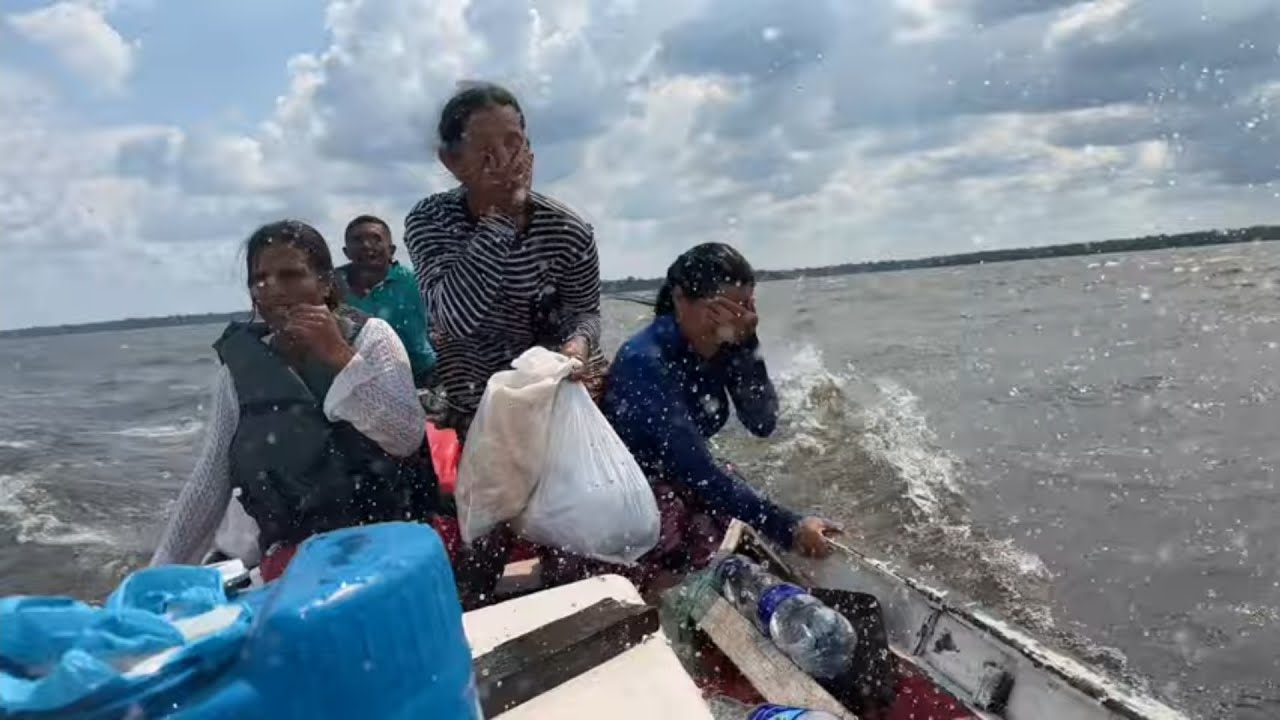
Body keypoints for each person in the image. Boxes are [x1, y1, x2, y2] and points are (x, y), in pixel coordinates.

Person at [150, 220, 430, 580]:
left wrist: (339, 357)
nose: (275, 289)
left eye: (291, 274)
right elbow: (210, 479)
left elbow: (406, 435)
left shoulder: (372, 338)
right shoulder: (237, 372)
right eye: (261, 278)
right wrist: (159, 571)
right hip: (296, 557)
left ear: (326, 283)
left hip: (384, 544)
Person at [595, 243, 838, 584]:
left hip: (686, 481)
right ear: (681, 299)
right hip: (630, 498)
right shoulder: (645, 361)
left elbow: (762, 422)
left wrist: (747, 343)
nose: (731, 322)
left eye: (742, 310)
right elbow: (698, 472)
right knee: (725, 560)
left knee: (759, 543)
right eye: (718, 310)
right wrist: (791, 527)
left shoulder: (725, 343)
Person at [403, 81, 605, 438]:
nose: (504, 160)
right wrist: (500, 219)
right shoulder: (431, 220)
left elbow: (585, 312)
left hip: (554, 401)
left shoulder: (568, 231)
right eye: (484, 150)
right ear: (451, 161)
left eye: (513, 143)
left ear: (529, 148)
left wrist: (578, 345)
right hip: (476, 407)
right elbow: (453, 320)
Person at [337, 214, 437, 387]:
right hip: (358, 380)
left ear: (391, 250)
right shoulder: (331, 286)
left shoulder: (418, 282)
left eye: (376, 239)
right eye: (358, 240)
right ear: (346, 252)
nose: (367, 245)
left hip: (422, 376)